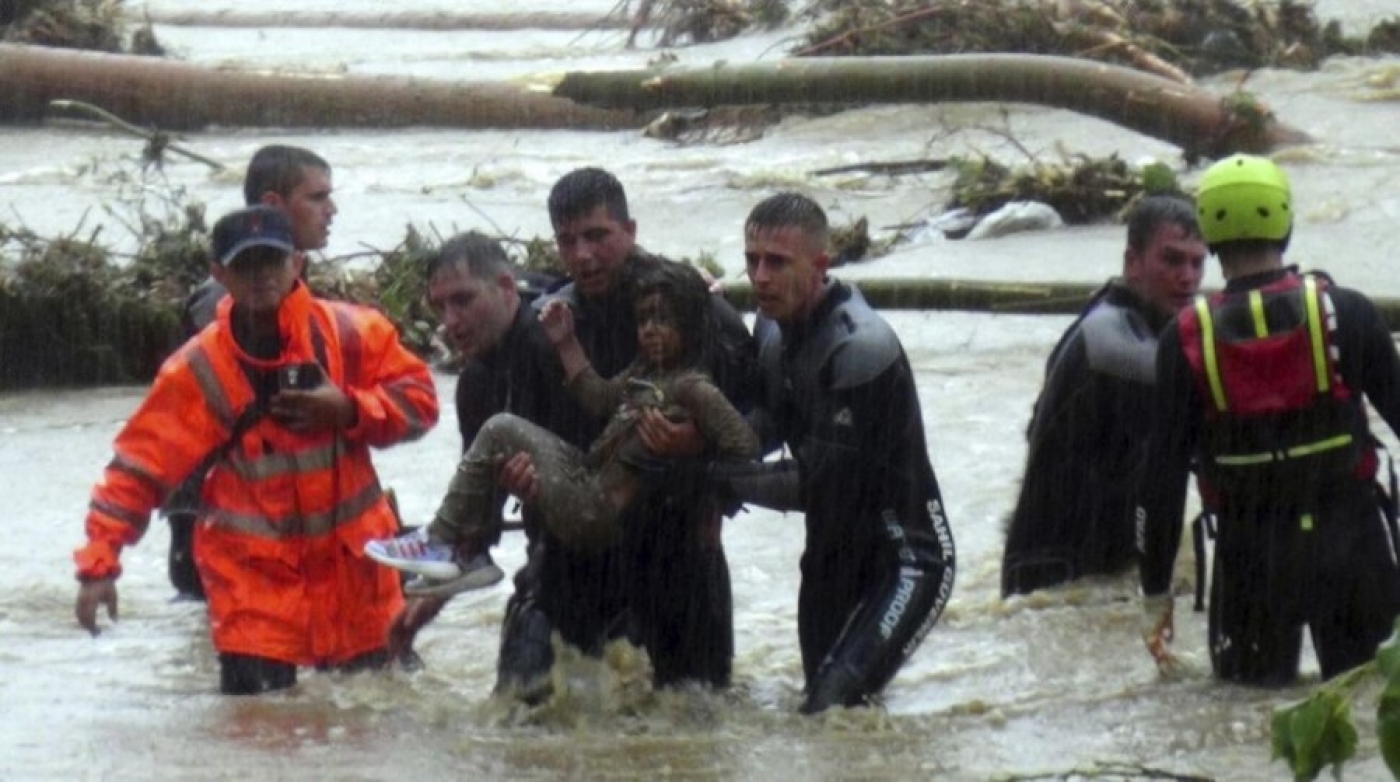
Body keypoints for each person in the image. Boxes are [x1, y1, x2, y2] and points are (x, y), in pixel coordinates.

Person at [389, 170, 759, 699]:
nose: (583, 255)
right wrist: (429, 602)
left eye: (597, 236)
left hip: (676, 553)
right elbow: (485, 508)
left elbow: (760, 421)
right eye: (568, 241)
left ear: (629, 231)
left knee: (694, 718)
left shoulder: (697, 308)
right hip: (569, 563)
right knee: (523, 716)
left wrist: (700, 451)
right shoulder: (543, 335)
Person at [74, 205, 438, 695]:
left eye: (272, 260)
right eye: (246, 264)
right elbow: (137, 470)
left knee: (375, 725)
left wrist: (350, 409)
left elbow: (420, 402)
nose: (261, 274)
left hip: (356, 582)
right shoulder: (198, 369)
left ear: (297, 263)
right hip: (254, 594)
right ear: (219, 274)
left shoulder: (351, 333)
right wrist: (99, 564)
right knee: (258, 732)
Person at [1138, 155, 1400, 685]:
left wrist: (1155, 594)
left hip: (1252, 562)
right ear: (1285, 223)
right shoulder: (1348, 312)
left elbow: (1159, 482)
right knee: (1369, 702)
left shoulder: (1183, 340)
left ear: (1210, 234)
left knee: (1245, 712)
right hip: (1352, 551)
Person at [707, 192, 956, 713]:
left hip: (905, 562)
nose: (760, 278)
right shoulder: (771, 327)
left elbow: (817, 484)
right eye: (752, 260)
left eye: (778, 262)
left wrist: (714, 478)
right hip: (829, 555)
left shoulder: (860, 348)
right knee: (825, 725)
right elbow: (766, 425)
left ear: (820, 265)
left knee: (832, 708)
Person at [366, 263, 760, 589]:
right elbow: (601, 398)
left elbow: (746, 447)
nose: (651, 330)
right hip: (588, 478)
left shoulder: (693, 387)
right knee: (501, 438)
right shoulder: (645, 371)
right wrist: (567, 343)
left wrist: (693, 444)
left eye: (664, 320)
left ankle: (443, 540)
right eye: (643, 320)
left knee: (501, 428)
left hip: (595, 511)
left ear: (690, 325)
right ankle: (466, 551)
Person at [1000, 195, 1206, 597]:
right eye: (1171, 260)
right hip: (1058, 574)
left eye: (1197, 263)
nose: (1187, 278)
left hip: (1090, 564)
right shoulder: (1113, 346)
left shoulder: (1118, 320)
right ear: (1133, 263)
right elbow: (1201, 415)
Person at [163, 144, 339, 601]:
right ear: (273, 205)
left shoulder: (286, 291)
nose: (331, 210)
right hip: (217, 513)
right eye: (317, 197)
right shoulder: (225, 302)